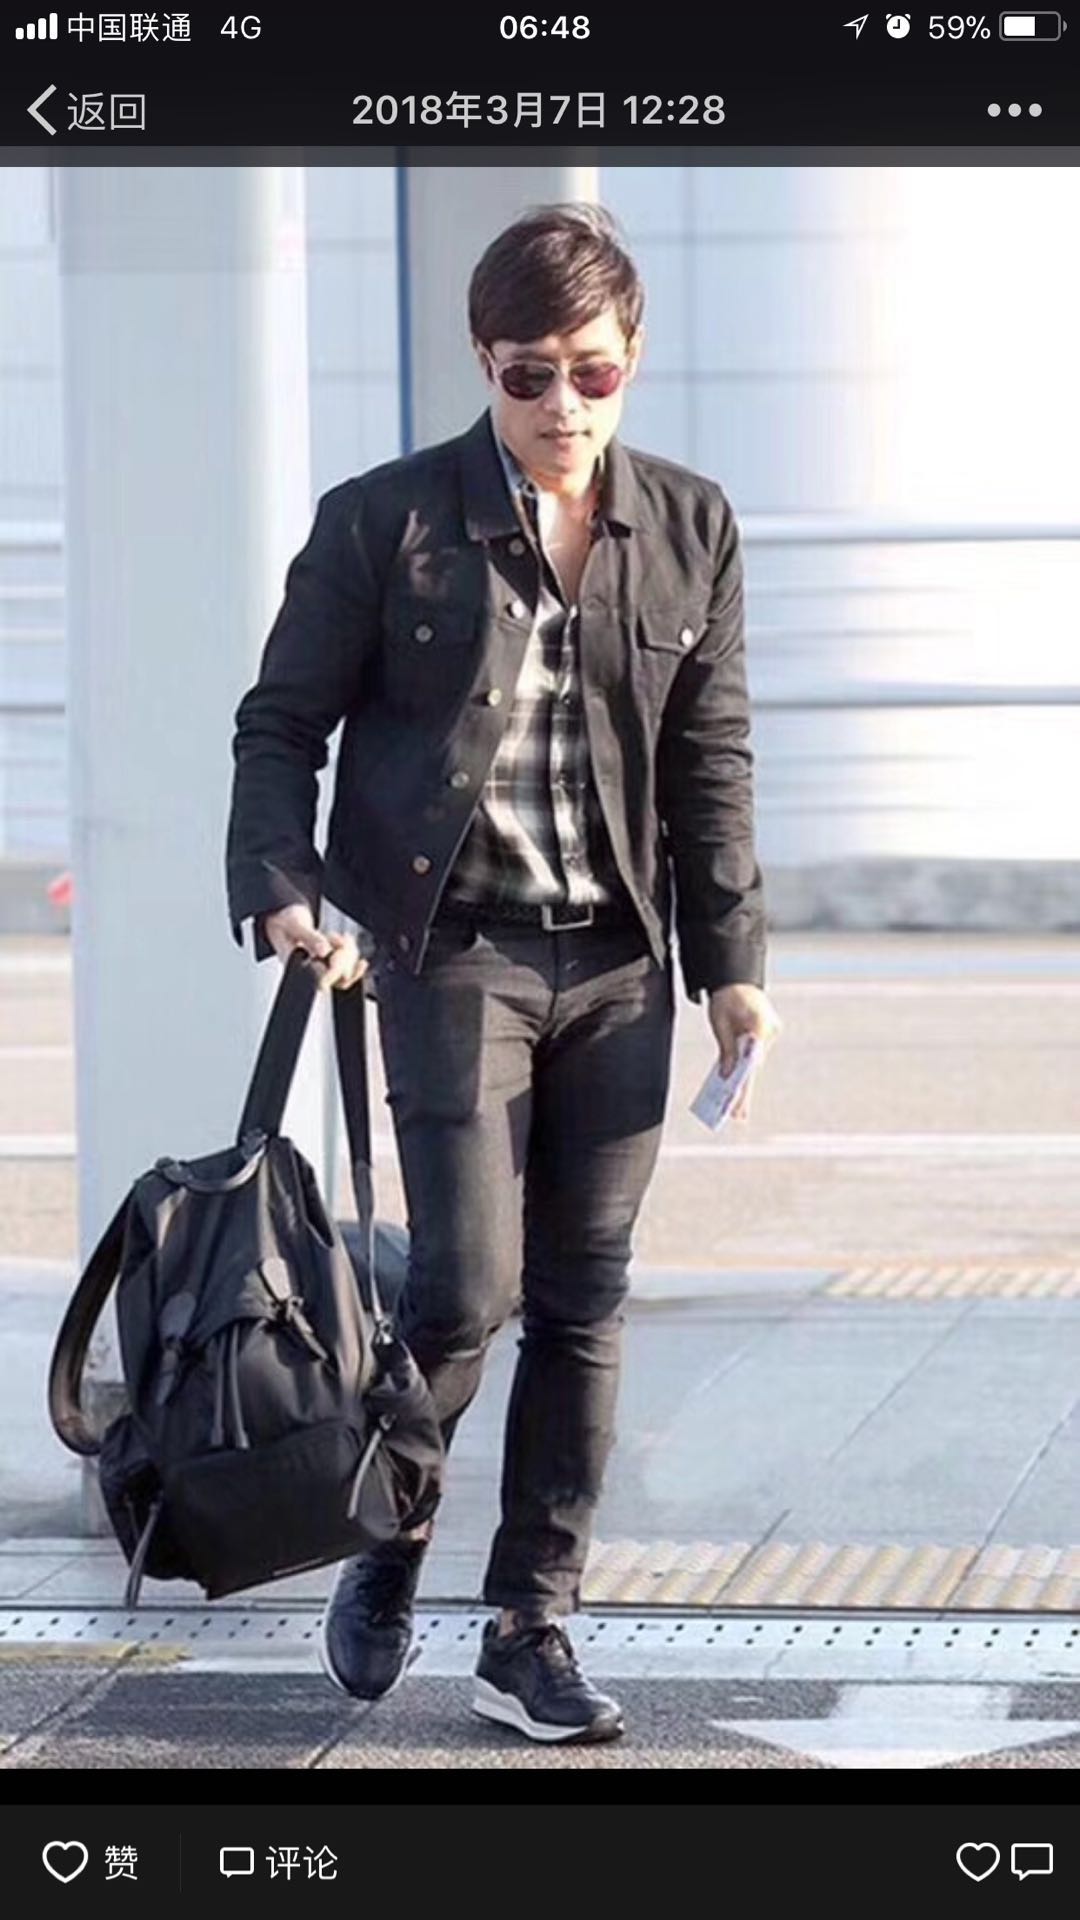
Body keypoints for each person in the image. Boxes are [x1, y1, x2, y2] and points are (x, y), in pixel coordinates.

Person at [225, 202, 781, 1745]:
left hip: (619, 963)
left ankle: (530, 1624)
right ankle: (391, 1534)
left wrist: (734, 964)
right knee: (465, 1291)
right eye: (529, 374)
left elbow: (712, 763)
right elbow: (280, 726)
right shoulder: (382, 521)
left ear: (631, 358)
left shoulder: (691, 526)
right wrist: (282, 888)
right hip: (451, 947)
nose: (561, 406)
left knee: (586, 1297)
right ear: (485, 362)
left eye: (591, 373)